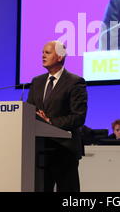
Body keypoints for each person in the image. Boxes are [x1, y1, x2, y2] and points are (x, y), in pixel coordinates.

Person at [27, 40, 88, 192]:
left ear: (60, 57)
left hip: (64, 150)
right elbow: (29, 111)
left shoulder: (75, 82)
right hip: (40, 150)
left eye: (47, 53)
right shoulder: (37, 82)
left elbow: (78, 117)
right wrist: (34, 116)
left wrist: (49, 122)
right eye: (42, 52)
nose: (42, 56)